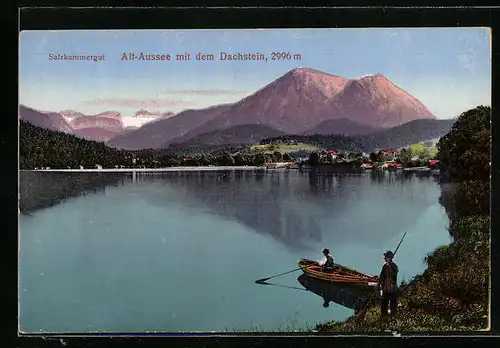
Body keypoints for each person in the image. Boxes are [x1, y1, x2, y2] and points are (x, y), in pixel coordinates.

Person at [379, 250, 399, 317]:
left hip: (392, 287)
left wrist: (390, 266)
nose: (385, 258)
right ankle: (384, 316)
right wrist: (380, 283)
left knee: (393, 303)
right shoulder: (385, 266)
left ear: (389, 258)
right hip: (385, 287)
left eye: (386, 257)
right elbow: (381, 276)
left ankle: (393, 316)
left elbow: (394, 274)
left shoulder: (394, 266)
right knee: (384, 303)